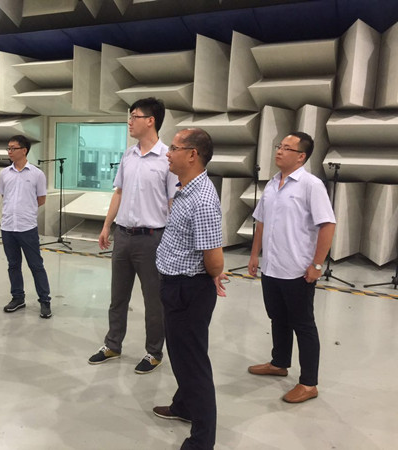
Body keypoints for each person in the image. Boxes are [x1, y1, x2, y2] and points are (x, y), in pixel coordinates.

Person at [88, 97, 178, 374]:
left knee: (153, 301)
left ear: (150, 121)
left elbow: (173, 202)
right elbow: (119, 192)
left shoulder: (167, 158)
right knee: (118, 297)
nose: (129, 122)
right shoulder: (128, 155)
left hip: (152, 239)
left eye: (134, 116)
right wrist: (107, 226)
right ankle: (113, 344)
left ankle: (154, 352)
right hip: (123, 236)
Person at [247, 131, 336, 403]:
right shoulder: (272, 184)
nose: (279, 151)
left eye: (287, 148)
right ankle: (279, 362)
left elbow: (327, 225)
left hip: (297, 270)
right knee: (278, 318)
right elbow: (261, 222)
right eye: (279, 146)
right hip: (272, 267)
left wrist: (317, 264)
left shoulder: (311, 185)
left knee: (303, 325)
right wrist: (254, 255)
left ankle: (309, 383)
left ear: (301, 156)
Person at [152, 128, 224, 450]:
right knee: (181, 357)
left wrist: (213, 274)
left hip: (188, 290)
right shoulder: (185, 190)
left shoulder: (203, 199)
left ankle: (202, 441)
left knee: (193, 365)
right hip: (176, 286)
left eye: (174, 148)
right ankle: (183, 405)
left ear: (192, 154)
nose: (168, 153)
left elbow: (215, 261)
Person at [0, 135, 52, 319]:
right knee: (13, 265)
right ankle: (18, 297)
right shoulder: (4, 173)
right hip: (8, 227)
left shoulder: (37, 174)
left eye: (13, 148)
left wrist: (26, 210)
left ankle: (45, 300)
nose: (9, 152)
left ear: (24, 150)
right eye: (8, 148)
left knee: (36, 265)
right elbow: (4, 196)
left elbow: (41, 199)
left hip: (27, 227)